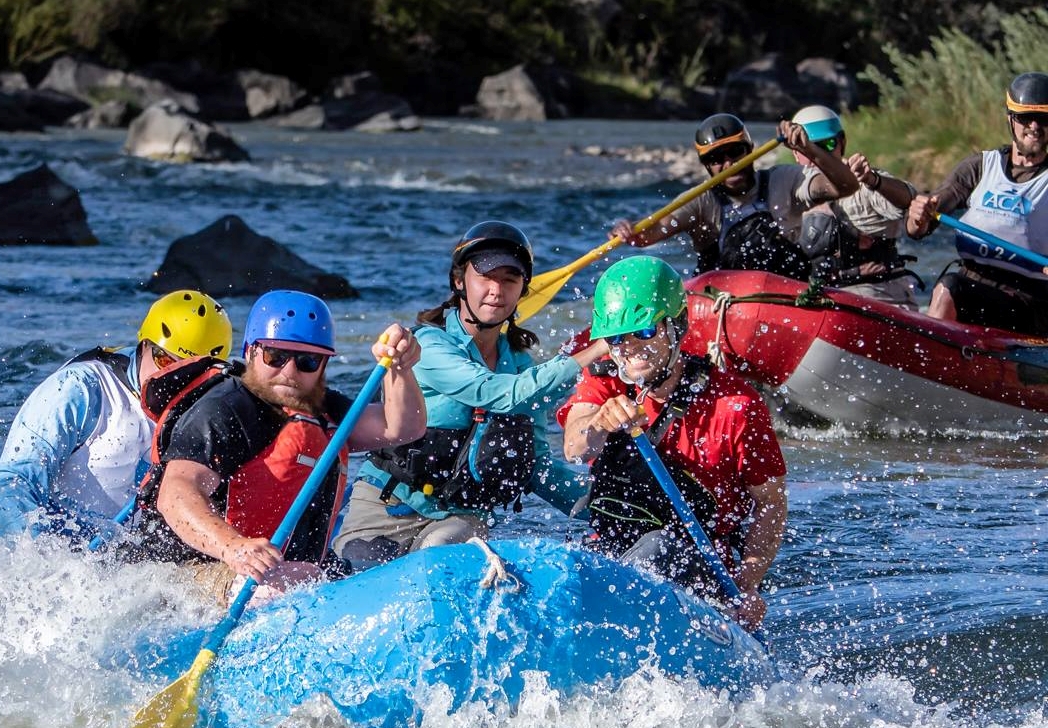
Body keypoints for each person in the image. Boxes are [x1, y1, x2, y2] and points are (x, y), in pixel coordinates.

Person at [331, 220, 609, 569]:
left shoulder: (523, 366)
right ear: (460, 282)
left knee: (438, 555)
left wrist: (602, 507)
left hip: (461, 517)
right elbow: (490, 392)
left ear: (523, 290)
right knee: (357, 571)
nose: (496, 290)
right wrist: (590, 353)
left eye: (509, 280)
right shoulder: (429, 346)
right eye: (486, 277)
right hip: (385, 505)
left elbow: (536, 467)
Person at [138, 289, 425, 599]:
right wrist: (234, 548)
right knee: (285, 585)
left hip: (290, 568)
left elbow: (402, 426)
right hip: (192, 570)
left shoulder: (321, 409)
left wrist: (400, 368)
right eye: (275, 356)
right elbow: (176, 495)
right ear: (249, 352)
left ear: (323, 366)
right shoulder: (222, 410)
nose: (289, 372)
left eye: (307, 361)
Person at [557, 256, 787, 629]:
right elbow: (575, 446)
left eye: (644, 333)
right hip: (614, 553)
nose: (630, 349)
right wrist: (599, 421)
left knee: (658, 549)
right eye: (617, 338)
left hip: (700, 570)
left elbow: (771, 503)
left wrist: (748, 584)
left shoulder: (736, 406)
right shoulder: (605, 382)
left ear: (676, 325)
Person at [0, 290, 233, 540]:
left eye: (190, 371)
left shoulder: (214, 409)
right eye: (164, 360)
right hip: (60, 547)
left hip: (133, 558)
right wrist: (36, 557)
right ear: (144, 343)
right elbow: (14, 483)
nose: (172, 377)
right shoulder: (79, 388)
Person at [611, 113, 859, 280]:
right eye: (716, 159)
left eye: (735, 152)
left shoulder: (784, 180)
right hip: (723, 304)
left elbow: (846, 186)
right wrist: (629, 231)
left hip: (786, 296)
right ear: (706, 165)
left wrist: (809, 149)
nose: (728, 163)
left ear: (750, 150)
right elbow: (651, 233)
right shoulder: (701, 201)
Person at [906, 72, 1048, 336]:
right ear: (1011, 119)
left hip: (1030, 304)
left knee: (950, 289)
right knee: (951, 288)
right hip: (974, 288)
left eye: (1043, 119)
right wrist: (918, 216)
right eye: (1025, 118)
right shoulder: (980, 167)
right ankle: (934, 355)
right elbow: (918, 230)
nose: (1034, 127)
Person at [791, 104, 921, 307]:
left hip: (878, 293)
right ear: (795, 153)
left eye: (826, 145)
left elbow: (906, 200)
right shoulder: (788, 189)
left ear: (842, 142)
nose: (818, 156)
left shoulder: (865, 181)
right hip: (819, 294)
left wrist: (873, 180)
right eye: (809, 148)